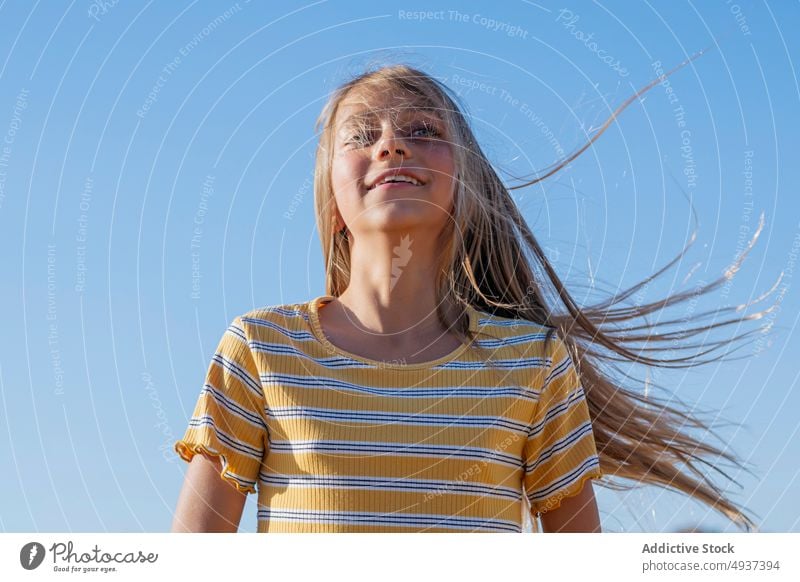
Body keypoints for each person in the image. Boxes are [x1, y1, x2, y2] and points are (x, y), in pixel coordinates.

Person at [172, 58, 769, 533]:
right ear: (332, 207)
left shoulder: (534, 363)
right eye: (361, 135)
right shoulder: (260, 350)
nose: (390, 145)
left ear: (465, 187)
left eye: (421, 130)